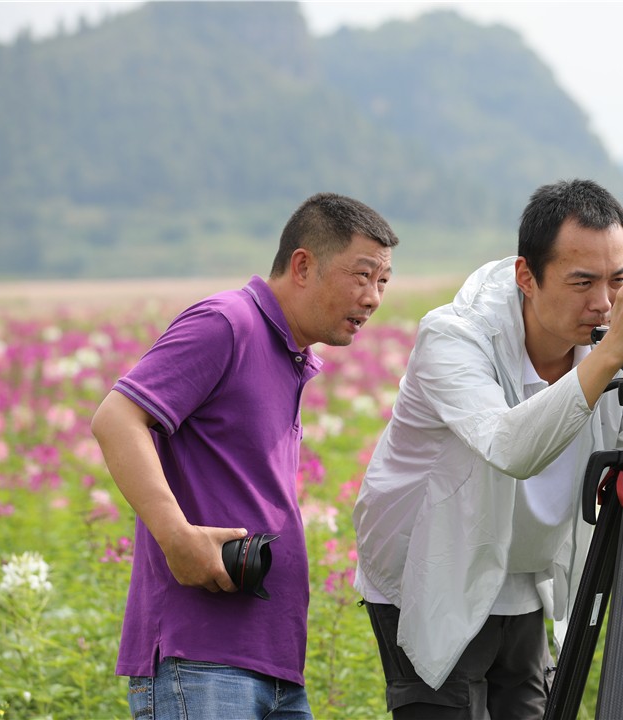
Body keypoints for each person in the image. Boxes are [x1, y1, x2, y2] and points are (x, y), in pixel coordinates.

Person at [352, 179, 623, 718]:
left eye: (619, 280)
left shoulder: (611, 349)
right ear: (526, 276)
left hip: (523, 575)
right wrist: (614, 352)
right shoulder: (454, 338)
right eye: (582, 282)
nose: (604, 303)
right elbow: (511, 447)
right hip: (431, 572)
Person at [91, 192, 398, 719]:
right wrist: (177, 536)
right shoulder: (228, 323)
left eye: (383, 281)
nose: (372, 298)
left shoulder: (290, 353)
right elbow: (117, 418)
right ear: (303, 265)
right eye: (362, 275)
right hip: (201, 660)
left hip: (273, 664)